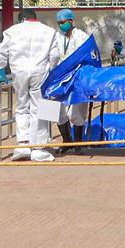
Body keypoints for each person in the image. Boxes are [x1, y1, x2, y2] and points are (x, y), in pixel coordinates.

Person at [0, 9, 59, 162]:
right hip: (40, 72)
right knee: (39, 108)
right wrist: (51, 69)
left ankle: (22, 144)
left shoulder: (12, 31)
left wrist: (1, 72)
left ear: (22, 19)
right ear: (35, 18)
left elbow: (1, 53)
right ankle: (38, 148)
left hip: (19, 72)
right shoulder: (49, 32)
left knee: (22, 107)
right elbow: (55, 56)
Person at [54, 9, 89, 155]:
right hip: (60, 79)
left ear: (70, 21)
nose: (61, 25)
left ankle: (79, 144)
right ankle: (67, 141)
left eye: (63, 22)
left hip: (77, 78)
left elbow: (86, 56)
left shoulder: (82, 37)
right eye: (59, 23)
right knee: (57, 111)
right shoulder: (57, 38)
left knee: (77, 111)